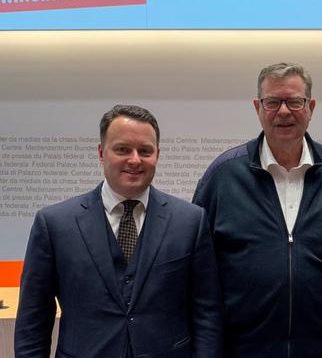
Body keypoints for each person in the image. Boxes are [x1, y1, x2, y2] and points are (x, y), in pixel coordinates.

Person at [192, 62, 322, 358]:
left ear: (311, 107)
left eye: (294, 101)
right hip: (242, 349)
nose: (283, 112)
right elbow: (198, 269)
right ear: (257, 107)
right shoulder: (222, 177)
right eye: (272, 102)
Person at [15, 105, 224, 357]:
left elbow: (207, 313)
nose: (135, 159)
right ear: (102, 153)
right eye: (123, 149)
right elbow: (32, 320)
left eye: (145, 151)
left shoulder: (190, 221)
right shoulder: (54, 224)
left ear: (157, 154)